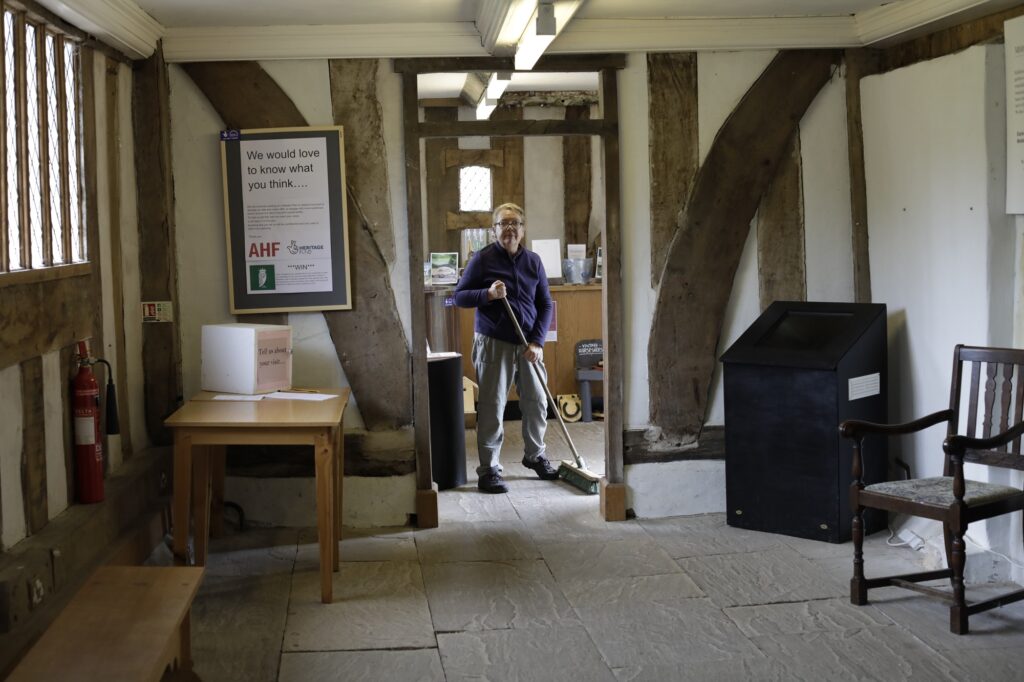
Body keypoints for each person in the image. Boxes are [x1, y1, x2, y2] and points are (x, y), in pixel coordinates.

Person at [454, 202, 557, 493]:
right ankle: (489, 469)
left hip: (528, 344)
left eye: (515, 223)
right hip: (493, 342)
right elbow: (459, 296)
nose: (509, 228)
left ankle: (535, 455)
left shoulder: (533, 262)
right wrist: (487, 294)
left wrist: (538, 341)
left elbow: (545, 304)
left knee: (537, 401)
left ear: (523, 230)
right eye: (503, 223)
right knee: (492, 406)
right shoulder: (482, 260)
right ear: (494, 230)